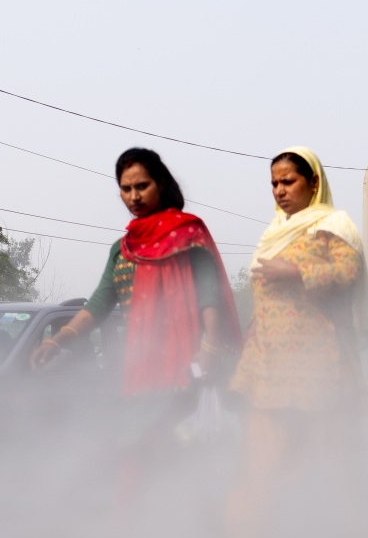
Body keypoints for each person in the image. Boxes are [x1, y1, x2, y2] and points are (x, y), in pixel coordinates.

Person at [225, 146, 368, 538]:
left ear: (314, 182)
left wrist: (290, 271)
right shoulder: (275, 232)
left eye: (288, 181)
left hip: (318, 367)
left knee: (335, 463)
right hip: (268, 366)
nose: (279, 190)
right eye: (274, 182)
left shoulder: (333, 224)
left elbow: (347, 273)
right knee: (261, 463)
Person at [31, 147, 238, 393]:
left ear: (160, 184)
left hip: (192, 364)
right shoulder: (123, 249)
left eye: (142, 186)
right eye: (126, 189)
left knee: (184, 428)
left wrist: (211, 348)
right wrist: (56, 341)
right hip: (141, 367)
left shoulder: (188, 236)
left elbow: (209, 295)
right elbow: (98, 304)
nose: (134, 197)